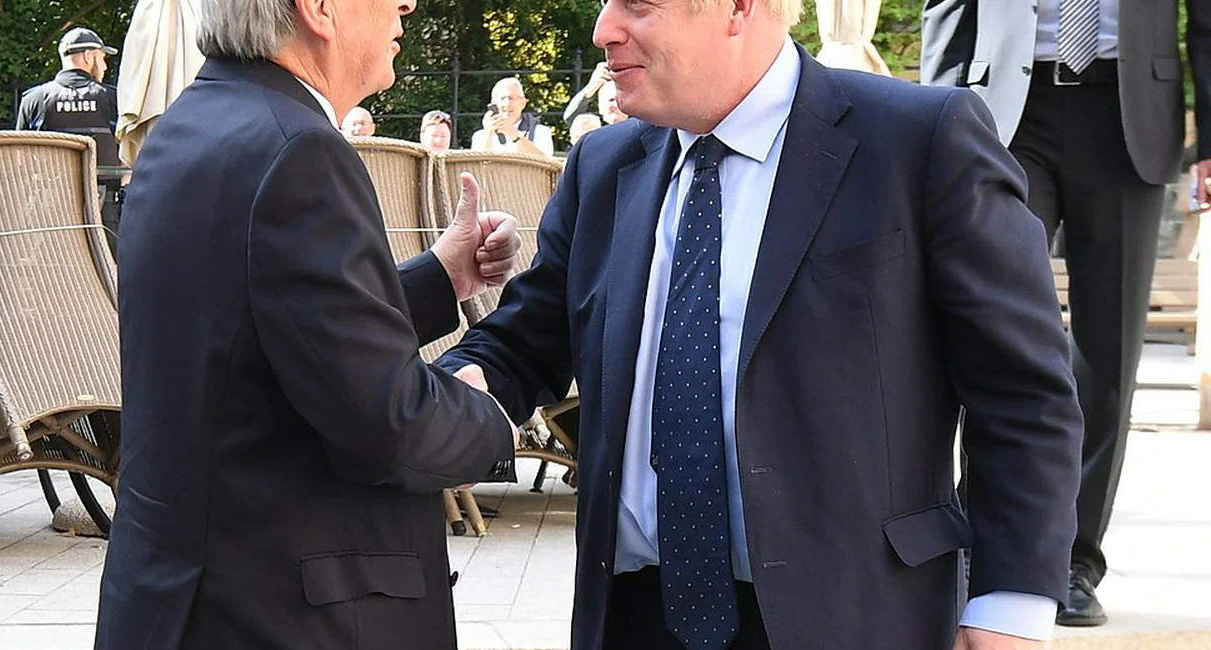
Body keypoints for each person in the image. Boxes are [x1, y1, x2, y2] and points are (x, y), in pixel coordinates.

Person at [439, 0, 1084, 648]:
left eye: (637, 4)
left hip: (852, 616)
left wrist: (1010, 604)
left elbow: (1023, 391)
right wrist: (452, 403)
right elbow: (526, 340)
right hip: (634, 617)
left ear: (738, 8)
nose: (604, 28)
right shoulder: (603, 167)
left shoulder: (918, 142)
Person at [95, 0, 526, 647]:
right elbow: (389, 426)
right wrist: (491, 420)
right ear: (319, 9)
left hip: (184, 604)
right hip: (280, 614)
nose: (408, 3)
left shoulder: (192, 128)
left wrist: (443, 275)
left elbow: (270, 329)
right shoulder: (300, 151)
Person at [921, 0, 1210, 627]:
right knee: (991, 336)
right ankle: (980, 549)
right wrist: (926, 118)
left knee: (1109, 349)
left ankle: (1073, 562)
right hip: (1003, 110)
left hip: (1127, 112)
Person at [16, 27, 125, 246]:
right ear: (88, 56)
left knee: (55, 271)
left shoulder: (35, 100)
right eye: (102, 58)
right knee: (109, 274)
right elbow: (130, 150)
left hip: (50, 214)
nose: (104, 66)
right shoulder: (112, 99)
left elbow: (20, 160)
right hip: (105, 213)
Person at [470, 77, 555, 156]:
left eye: (512, 98)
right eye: (502, 98)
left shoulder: (540, 132)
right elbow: (477, 165)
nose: (507, 104)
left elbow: (545, 164)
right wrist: (489, 134)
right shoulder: (480, 136)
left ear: (523, 103)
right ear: (493, 104)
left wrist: (514, 135)